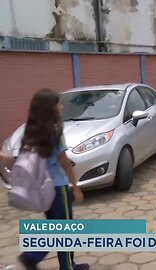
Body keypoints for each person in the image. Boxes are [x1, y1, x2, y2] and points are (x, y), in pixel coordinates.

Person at [0, 89, 89, 270]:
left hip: (42, 188)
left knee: (55, 228)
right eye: (58, 103)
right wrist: (75, 187)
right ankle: (34, 258)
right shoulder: (55, 131)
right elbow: (64, 162)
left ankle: (64, 264)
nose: (61, 106)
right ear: (51, 108)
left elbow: (25, 158)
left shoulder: (31, 131)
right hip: (58, 187)